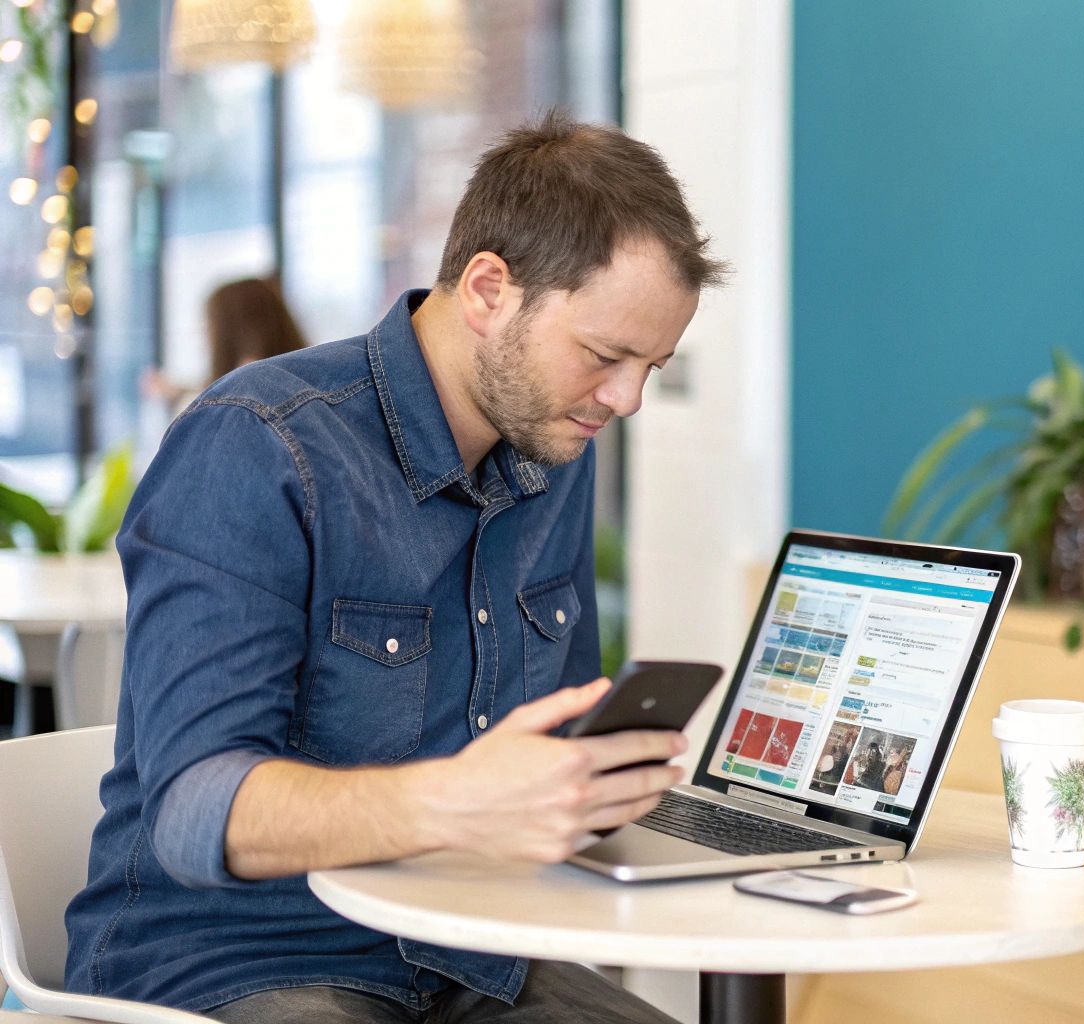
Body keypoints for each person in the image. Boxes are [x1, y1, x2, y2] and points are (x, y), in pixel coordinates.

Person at [63, 113, 728, 1023]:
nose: (627, 400)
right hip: (236, 959)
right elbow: (190, 811)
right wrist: (458, 802)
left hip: (470, 955)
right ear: (490, 288)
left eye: (651, 365)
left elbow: (545, 753)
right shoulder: (259, 444)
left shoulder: (555, 450)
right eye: (606, 357)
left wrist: (592, 787)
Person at [141, 276, 309, 412]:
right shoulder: (302, 380)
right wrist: (177, 391)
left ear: (228, 332)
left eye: (208, 327)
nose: (204, 340)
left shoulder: (238, 397)